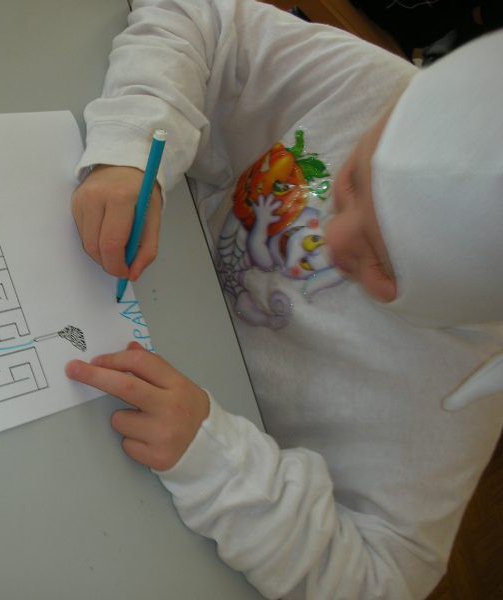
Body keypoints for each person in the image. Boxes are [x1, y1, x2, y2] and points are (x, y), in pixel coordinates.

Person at [65, 1, 503, 598]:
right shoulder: (372, 87)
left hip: (187, 453)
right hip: (146, 291)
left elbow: (381, 581)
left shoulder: (457, 394)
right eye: (353, 182)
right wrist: (132, 149)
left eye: (384, 264)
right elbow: (196, 15)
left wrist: (220, 464)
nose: (332, 236)